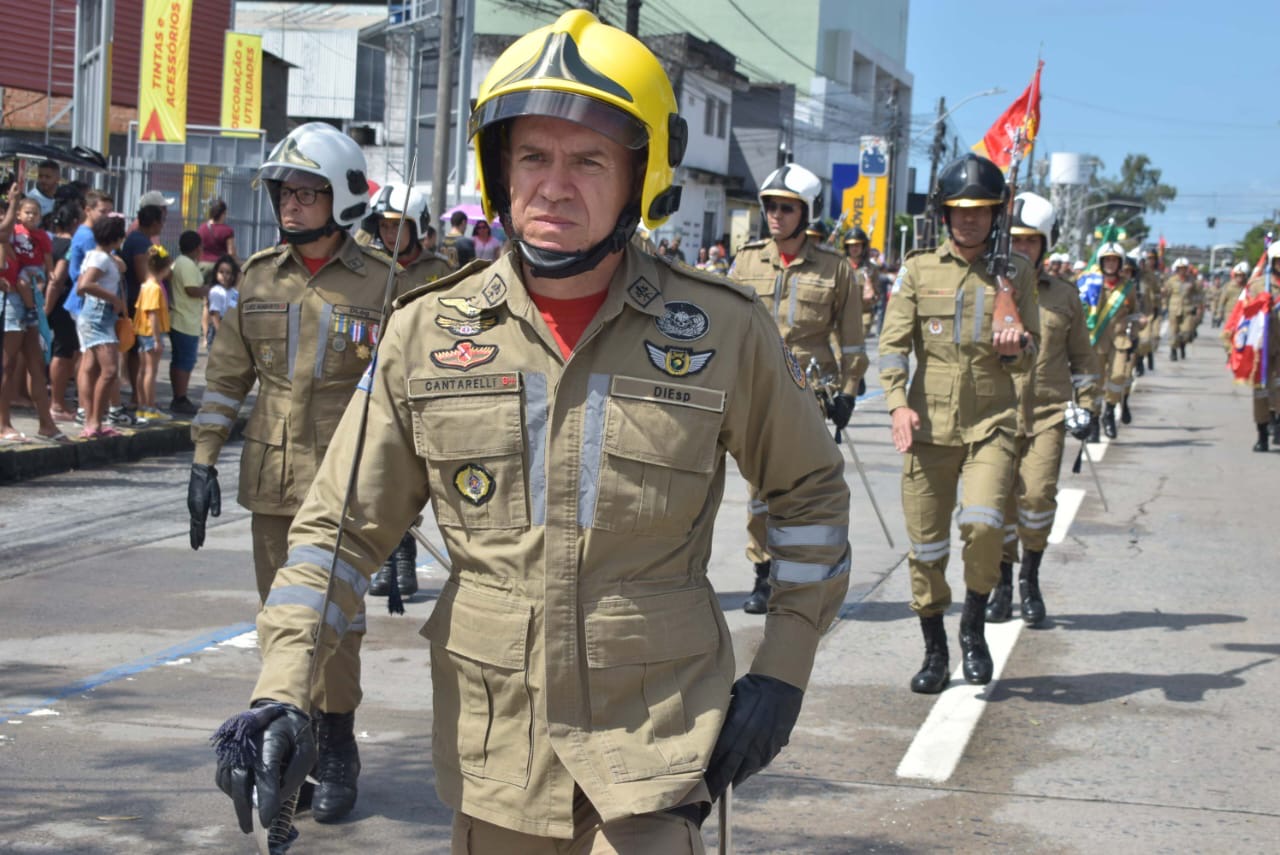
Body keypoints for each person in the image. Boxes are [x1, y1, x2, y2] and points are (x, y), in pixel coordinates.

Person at [212, 12, 850, 852]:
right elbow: (338, 530)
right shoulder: (424, 332)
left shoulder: (723, 329)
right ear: (499, 171)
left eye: (589, 160)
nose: (554, 185)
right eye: (533, 157)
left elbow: (809, 496)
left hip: (657, 746)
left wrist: (783, 670)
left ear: (641, 178)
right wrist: (283, 689)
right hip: (497, 753)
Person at [191, 122, 404, 824]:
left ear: (342, 198)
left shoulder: (383, 282)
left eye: (307, 192)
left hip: (349, 486)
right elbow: (227, 377)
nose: (291, 203)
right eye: (285, 191)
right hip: (273, 482)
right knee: (281, 622)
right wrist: (202, 458)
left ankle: (338, 745)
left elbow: (406, 393)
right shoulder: (258, 276)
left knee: (337, 625)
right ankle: (298, 744)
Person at [877, 152, 1039, 694]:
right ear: (944, 214)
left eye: (981, 209)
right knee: (926, 549)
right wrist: (897, 404)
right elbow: (893, 346)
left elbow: (1033, 355)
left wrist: (1017, 346)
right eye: (960, 210)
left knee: (985, 525)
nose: (970, 219)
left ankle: (973, 628)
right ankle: (934, 648)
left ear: (996, 214)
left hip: (991, 425)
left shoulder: (1016, 273)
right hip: (927, 429)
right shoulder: (919, 270)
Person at [728, 162, 866, 614]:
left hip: (811, 396)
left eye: (786, 208)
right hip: (755, 392)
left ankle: (801, 574)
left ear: (806, 213)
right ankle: (763, 573)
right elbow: (726, 325)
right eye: (770, 206)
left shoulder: (836, 269)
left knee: (802, 492)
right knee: (759, 495)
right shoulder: (746, 260)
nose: (776, 215)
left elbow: (852, 340)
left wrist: (848, 392)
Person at [988, 192, 1099, 626]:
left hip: (1047, 414)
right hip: (995, 415)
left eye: (1030, 241)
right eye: (1014, 239)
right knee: (997, 505)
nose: (1021, 248)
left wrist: (1087, 406)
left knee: (1036, 498)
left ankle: (1029, 579)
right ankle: (1001, 583)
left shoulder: (1065, 296)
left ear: (1045, 244)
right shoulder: (987, 289)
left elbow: (1083, 358)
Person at [1, 191, 65, 443]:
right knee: (8, 365)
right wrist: (13, 204)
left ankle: (46, 424)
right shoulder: (9, 233)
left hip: (27, 298)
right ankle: (3, 424)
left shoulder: (28, 235)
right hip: (11, 300)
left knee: (36, 364)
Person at [73, 214, 128, 439]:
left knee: (92, 368)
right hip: (98, 316)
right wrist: (114, 299)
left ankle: (91, 421)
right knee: (110, 370)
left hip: (95, 314)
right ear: (116, 238)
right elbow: (84, 286)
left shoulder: (97, 256)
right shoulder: (102, 259)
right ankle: (94, 421)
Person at [119, 192, 172, 412]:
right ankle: (142, 400)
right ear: (155, 223)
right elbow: (143, 274)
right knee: (143, 363)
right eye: (162, 220)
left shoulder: (139, 239)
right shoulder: (140, 242)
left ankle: (139, 398)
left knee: (139, 360)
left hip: (135, 300)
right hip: (137, 305)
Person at [1225, 245, 1280, 451]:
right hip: (1262, 348)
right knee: (1261, 393)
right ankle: (1262, 435)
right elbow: (1243, 315)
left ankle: (1277, 425)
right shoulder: (1257, 286)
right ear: (1272, 262)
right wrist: (1259, 303)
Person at [1087, 242, 1141, 440]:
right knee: (1095, 382)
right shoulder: (1092, 284)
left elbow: (1134, 313)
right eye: (1107, 260)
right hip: (1096, 341)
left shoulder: (1127, 287)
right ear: (1101, 262)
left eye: (1114, 260)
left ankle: (1109, 410)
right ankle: (1094, 419)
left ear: (1120, 263)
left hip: (1120, 340)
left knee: (1119, 376)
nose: (1110, 263)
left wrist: (1134, 335)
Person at [44, 200, 82, 423]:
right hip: (61, 306)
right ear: (75, 222)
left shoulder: (50, 241)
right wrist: (47, 309)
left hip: (48, 302)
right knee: (63, 353)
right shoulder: (69, 246)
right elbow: (57, 280)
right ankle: (56, 404)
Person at [167, 230, 208, 415]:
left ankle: (179, 396)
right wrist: (207, 290)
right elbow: (191, 289)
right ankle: (180, 397)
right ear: (198, 248)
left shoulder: (179, 262)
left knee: (179, 360)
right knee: (185, 361)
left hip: (182, 318)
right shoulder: (187, 264)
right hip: (185, 319)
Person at [131, 245, 173, 423]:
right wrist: (157, 339)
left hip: (142, 332)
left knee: (142, 371)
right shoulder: (155, 288)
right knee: (151, 371)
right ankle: (150, 407)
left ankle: (142, 407)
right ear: (164, 268)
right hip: (151, 333)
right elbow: (153, 314)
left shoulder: (145, 286)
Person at [843, 227, 879, 339]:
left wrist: (872, 296)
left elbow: (877, 294)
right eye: (851, 245)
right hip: (841, 316)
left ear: (863, 247)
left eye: (857, 245)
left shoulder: (871, 269)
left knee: (856, 345)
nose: (854, 248)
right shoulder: (840, 266)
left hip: (863, 315)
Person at [1164, 257, 1198, 362]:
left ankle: (1182, 344)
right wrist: (1164, 305)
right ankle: (1173, 350)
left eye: (1184, 268)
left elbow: (1197, 294)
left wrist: (1195, 306)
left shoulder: (1191, 281)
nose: (1182, 270)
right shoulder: (1171, 281)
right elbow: (1166, 294)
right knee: (1174, 331)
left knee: (1186, 332)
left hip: (1187, 310)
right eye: (1180, 268)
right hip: (1174, 309)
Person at [1136, 247, 1163, 372]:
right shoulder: (1128, 274)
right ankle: (1139, 360)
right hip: (1130, 313)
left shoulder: (1150, 276)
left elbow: (1156, 292)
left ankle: (1144, 355)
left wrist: (1156, 307)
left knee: (1147, 339)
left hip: (1146, 313)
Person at [204, 254, 239, 348]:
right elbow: (214, 314)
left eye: (228, 273)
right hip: (218, 328)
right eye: (221, 272)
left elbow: (233, 309)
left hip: (230, 326)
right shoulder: (215, 291)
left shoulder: (234, 292)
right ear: (216, 273)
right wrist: (221, 333)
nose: (224, 275)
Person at [198, 198, 238, 269]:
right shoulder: (227, 230)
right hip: (219, 268)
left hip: (203, 266)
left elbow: (198, 248)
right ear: (223, 214)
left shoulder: (201, 228)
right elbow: (231, 253)